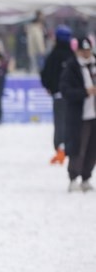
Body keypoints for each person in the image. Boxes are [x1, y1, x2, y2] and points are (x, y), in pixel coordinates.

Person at [60, 36, 96, 193]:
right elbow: (65, 91)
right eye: (83, 50)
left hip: (94, 114)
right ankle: (73, 177)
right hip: (79, 116)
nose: (86, 53)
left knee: (92, 149)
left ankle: (86, 178)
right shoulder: (71, 68)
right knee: (78, 148)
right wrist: (85, 92)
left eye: (88, 50)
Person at [40, 25, 76, 165]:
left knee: (60, 122)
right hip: (73, 96)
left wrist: (50, 87)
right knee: (71, 122)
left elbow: (45, 73)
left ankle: (60, 148)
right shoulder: (72, 55)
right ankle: (70, 148)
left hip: (59, 95)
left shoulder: (53, 55)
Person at [26, 10, 47, 75]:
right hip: (37, 51)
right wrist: (41, 50)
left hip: (35, 51)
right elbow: (38, 40)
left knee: (35, 66)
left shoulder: (34, 28)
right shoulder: (35, 29)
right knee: (37, 67)